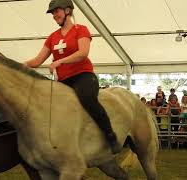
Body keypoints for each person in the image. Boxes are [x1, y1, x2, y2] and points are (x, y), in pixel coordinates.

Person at [24, 0, 121, 154]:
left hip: (83, 76)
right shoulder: (52, 37)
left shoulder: (81, 30)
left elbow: (83, 53)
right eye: (53, 13)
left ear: (68, 10)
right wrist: (20, 65)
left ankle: (110, 136)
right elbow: (37, 61)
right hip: (63, 80)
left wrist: (59, 61)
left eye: (57, 11)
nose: (54, 15)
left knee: (87, 98)